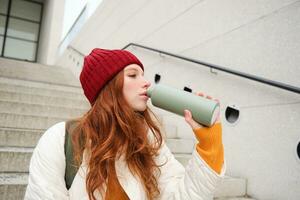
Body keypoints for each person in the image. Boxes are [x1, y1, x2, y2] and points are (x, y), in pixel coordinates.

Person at [24, 48, 225, 200]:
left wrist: (208, 145)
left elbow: (181, 195)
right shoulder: (60, 139)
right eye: (132, 75)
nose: (146, 82)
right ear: (108, 87)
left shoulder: (146, 140)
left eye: (143, 74)